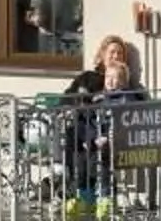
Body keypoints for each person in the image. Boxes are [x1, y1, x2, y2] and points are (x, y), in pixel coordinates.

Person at [60, 35, 147, 218]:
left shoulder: (128, 86)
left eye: (119, 53)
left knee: (98, 155)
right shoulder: (88, 78)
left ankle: (101, 199)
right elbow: (67, 99)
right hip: (87, 133)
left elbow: (137, 107)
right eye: (111, 52)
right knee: (75, 141)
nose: (115, 56)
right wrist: (77, 103)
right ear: (102, 55)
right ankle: (79, 196)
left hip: (112, 137)